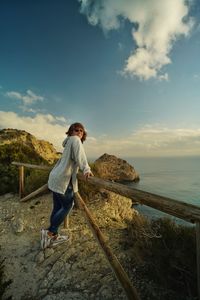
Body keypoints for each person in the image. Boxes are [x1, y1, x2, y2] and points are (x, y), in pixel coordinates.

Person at [41, 122, 93, 249]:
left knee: (58, 206)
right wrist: (86, 169)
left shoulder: (68, 142)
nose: (79, 132)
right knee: (68, 206)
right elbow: (81, 157)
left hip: (55, 179)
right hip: (64, 181)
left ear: (83, 133)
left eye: (81, 130)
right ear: (71, 132)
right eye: (76, 130)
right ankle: (49, 233)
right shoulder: (75, 140)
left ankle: (53, 235)